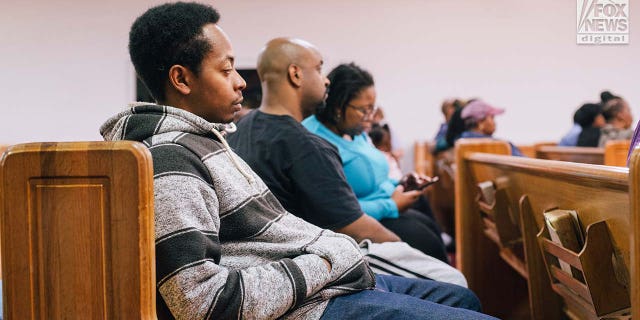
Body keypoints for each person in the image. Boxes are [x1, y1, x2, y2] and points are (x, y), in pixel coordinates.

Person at [100, 3, 496, 319]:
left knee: (463, 298)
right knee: (465, 300)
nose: (240, 81)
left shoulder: (206, 140)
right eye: (226, 69)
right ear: (182, 80)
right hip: (307, 301)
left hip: (313, 280)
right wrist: (328, 259)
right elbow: (199, 301)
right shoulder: (173, 158)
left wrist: (331, 257)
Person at [228, 38, 399, 243]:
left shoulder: (240, 128)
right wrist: (402, 247)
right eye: (319, 69)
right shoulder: (307, 147)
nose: (326, 81)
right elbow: (356, 230)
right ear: (296, 74)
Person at [303, 63, 449, 262]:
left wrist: (401, 184)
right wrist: (391, 205)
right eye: (364, 110)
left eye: (372, 109)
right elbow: (335, 211)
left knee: (429, 228)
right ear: (338, 106)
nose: (369, 118)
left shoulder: (353, 131)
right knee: (426, 243)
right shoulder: (315, 141)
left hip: (385, 206)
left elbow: (376, 178)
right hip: (360, 222)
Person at [458, 100, 524, 156]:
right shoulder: (501, 146)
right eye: (492, 117)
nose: (494, 123)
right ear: (480, 123)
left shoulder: (461, 143)